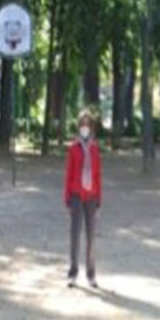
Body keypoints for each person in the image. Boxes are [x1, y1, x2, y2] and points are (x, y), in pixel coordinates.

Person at [63, 110, 102, 287]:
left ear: (91, 127)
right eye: (82, 124)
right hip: (76, 195)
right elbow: (69, 174)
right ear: (79, 127)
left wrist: (99, 198)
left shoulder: (94, 148)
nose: (85, 127)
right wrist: (67, 198)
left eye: (87, 124)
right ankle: (73, 272)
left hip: (91, 196)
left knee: (91, 236)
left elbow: (98, 174)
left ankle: (91, 274)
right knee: (75, 235)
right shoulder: (73, 148)